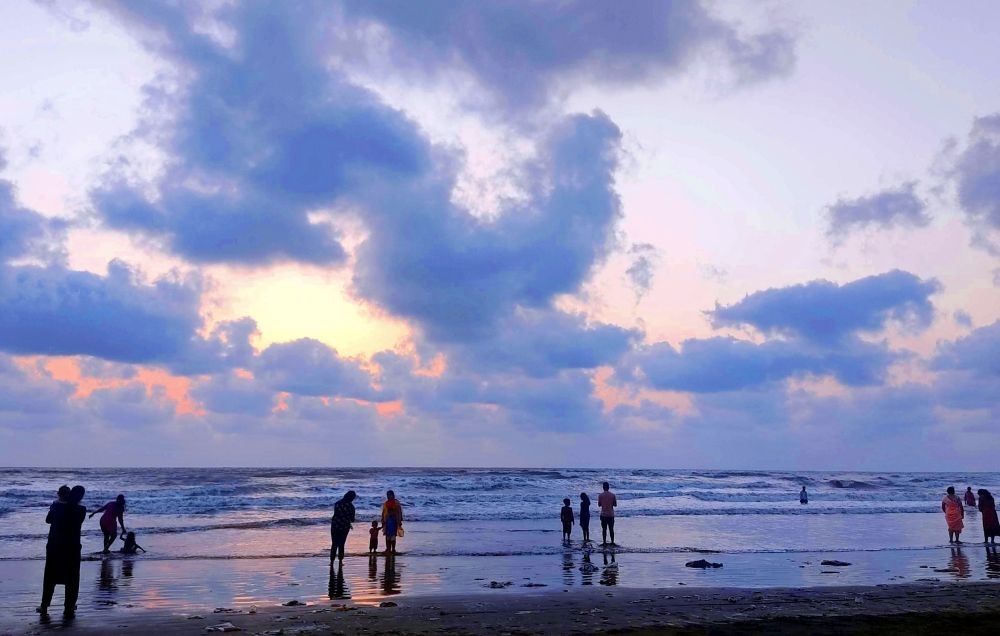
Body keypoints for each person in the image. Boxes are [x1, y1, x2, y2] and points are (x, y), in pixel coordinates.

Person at [38, 485, 86, 617]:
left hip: (55, 546)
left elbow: (48, 520)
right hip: (72, 547)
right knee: (72, 578)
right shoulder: (81, 509)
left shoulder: (56, 507)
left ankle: (44, 606)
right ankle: (69, 606)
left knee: (50, 576)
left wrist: (54, 506)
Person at [330, 490, 356, 563]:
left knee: (334, 543)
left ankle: (332, 561)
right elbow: (352, 519)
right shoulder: (351, 506)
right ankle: (340, 561)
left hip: (335, 525)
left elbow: (336, 514)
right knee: (341, 543)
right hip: (344, 526)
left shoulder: (337, 503)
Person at [381, 490, 404, 555]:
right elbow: (383, 513)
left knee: (393, 535)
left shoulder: (396, 503)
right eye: (387, 495)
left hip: (394, 521)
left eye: (390, 495)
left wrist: (399, 521)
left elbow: (399, 512)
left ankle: (393, 549)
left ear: (393, 495)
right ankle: (388, 548)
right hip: (387, 521)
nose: (388, 496)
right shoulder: (386, 503)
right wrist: (382, 520)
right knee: (387, 535)